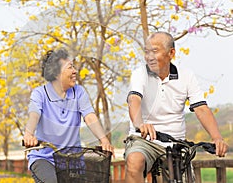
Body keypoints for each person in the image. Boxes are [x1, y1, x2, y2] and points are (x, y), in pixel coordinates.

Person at [124, 32, 228, 183]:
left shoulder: (186, 76)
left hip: (175, 143)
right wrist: (140, 124)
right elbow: (134, 100)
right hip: (144, 140)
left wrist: (217, 138)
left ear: (171, 53)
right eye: (146, 52)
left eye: (155, 51)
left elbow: (201, 109)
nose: (149, 57)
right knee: (134, 160)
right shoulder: (140, 74)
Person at [23, 48, 114, 183]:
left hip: (73, 159)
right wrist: (28, 134)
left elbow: (89, 116)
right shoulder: (40, 94)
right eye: (70, 67)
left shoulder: (79, 92)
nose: (74, 71)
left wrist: (104, 139)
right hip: (44, 158)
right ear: (56, 73)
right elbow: (34, 114)